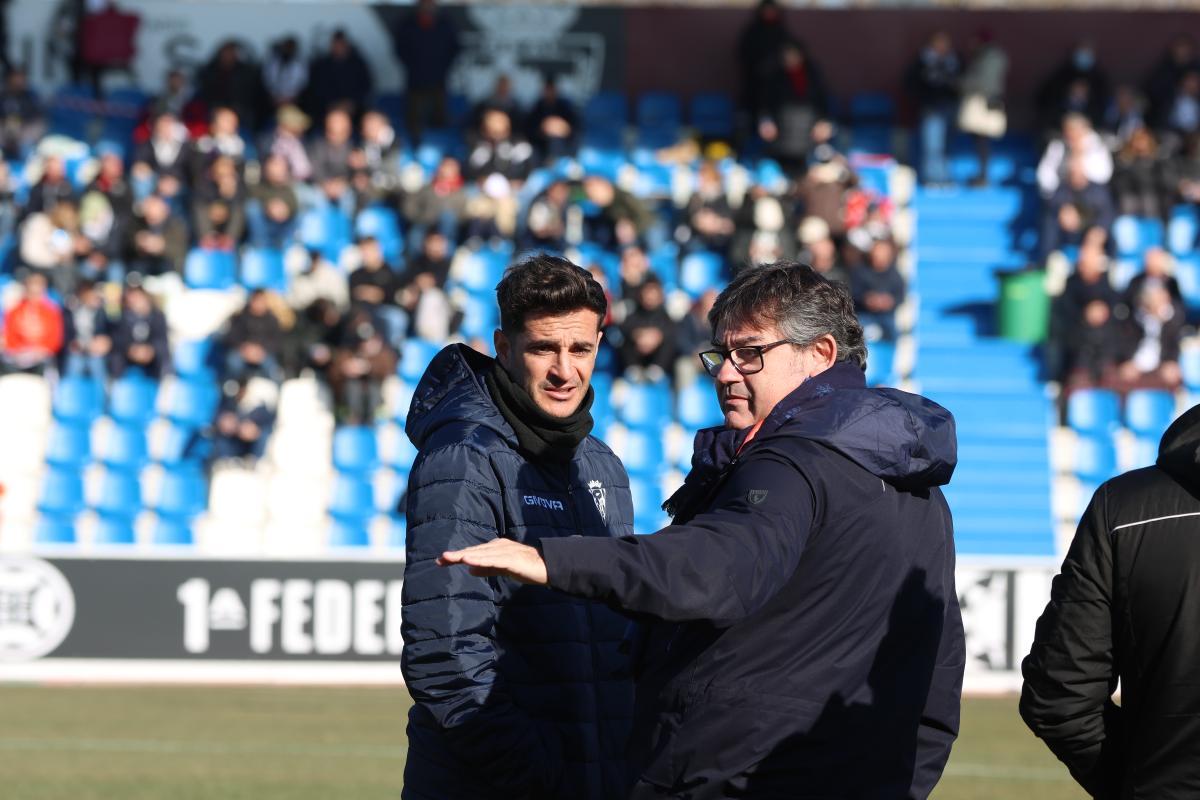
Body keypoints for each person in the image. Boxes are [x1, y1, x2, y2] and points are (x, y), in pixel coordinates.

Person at [440, 262, 964, 798]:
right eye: (721, 354)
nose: (726, 373)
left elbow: (716, 569)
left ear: (821, 355)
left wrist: (556, 558)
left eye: (751, 354)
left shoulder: (791, 462)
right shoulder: (920, 488)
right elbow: (939, 680)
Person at [400, 255, 635, 800]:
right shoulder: (463, 456)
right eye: (542, 349)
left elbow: (619, 634)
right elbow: (445, 653)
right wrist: (538, 776)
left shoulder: (603, 464)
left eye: (581, 349)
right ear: (504, 349)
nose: (564, 370)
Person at [1021, 402, 1200, 797]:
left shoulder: (1123, 507)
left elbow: (1061, 696)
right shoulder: (1121, 511)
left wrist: (1140, 781)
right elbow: (1061, 694)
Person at [393, 0, 460, 143]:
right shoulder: (408, 23)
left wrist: (443, 66)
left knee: (439, 115)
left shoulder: (445, 23)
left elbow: (454, 48)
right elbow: (399, 48)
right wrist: (412, 66)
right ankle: (415, 144)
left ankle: (442, 147)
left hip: (439, 78)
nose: (427, 5)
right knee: (414, 116)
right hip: (415, 79)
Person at [905, 31, 961, 187]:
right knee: (932, 145)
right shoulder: (922, 61)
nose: (942, 47)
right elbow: (911, 83)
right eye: (939, 43)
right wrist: (923, 98)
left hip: (949, 108)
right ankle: (932, 178)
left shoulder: (954, 61)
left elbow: (961, 81)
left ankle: (945, 177)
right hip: (931, 108)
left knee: (947, 145)